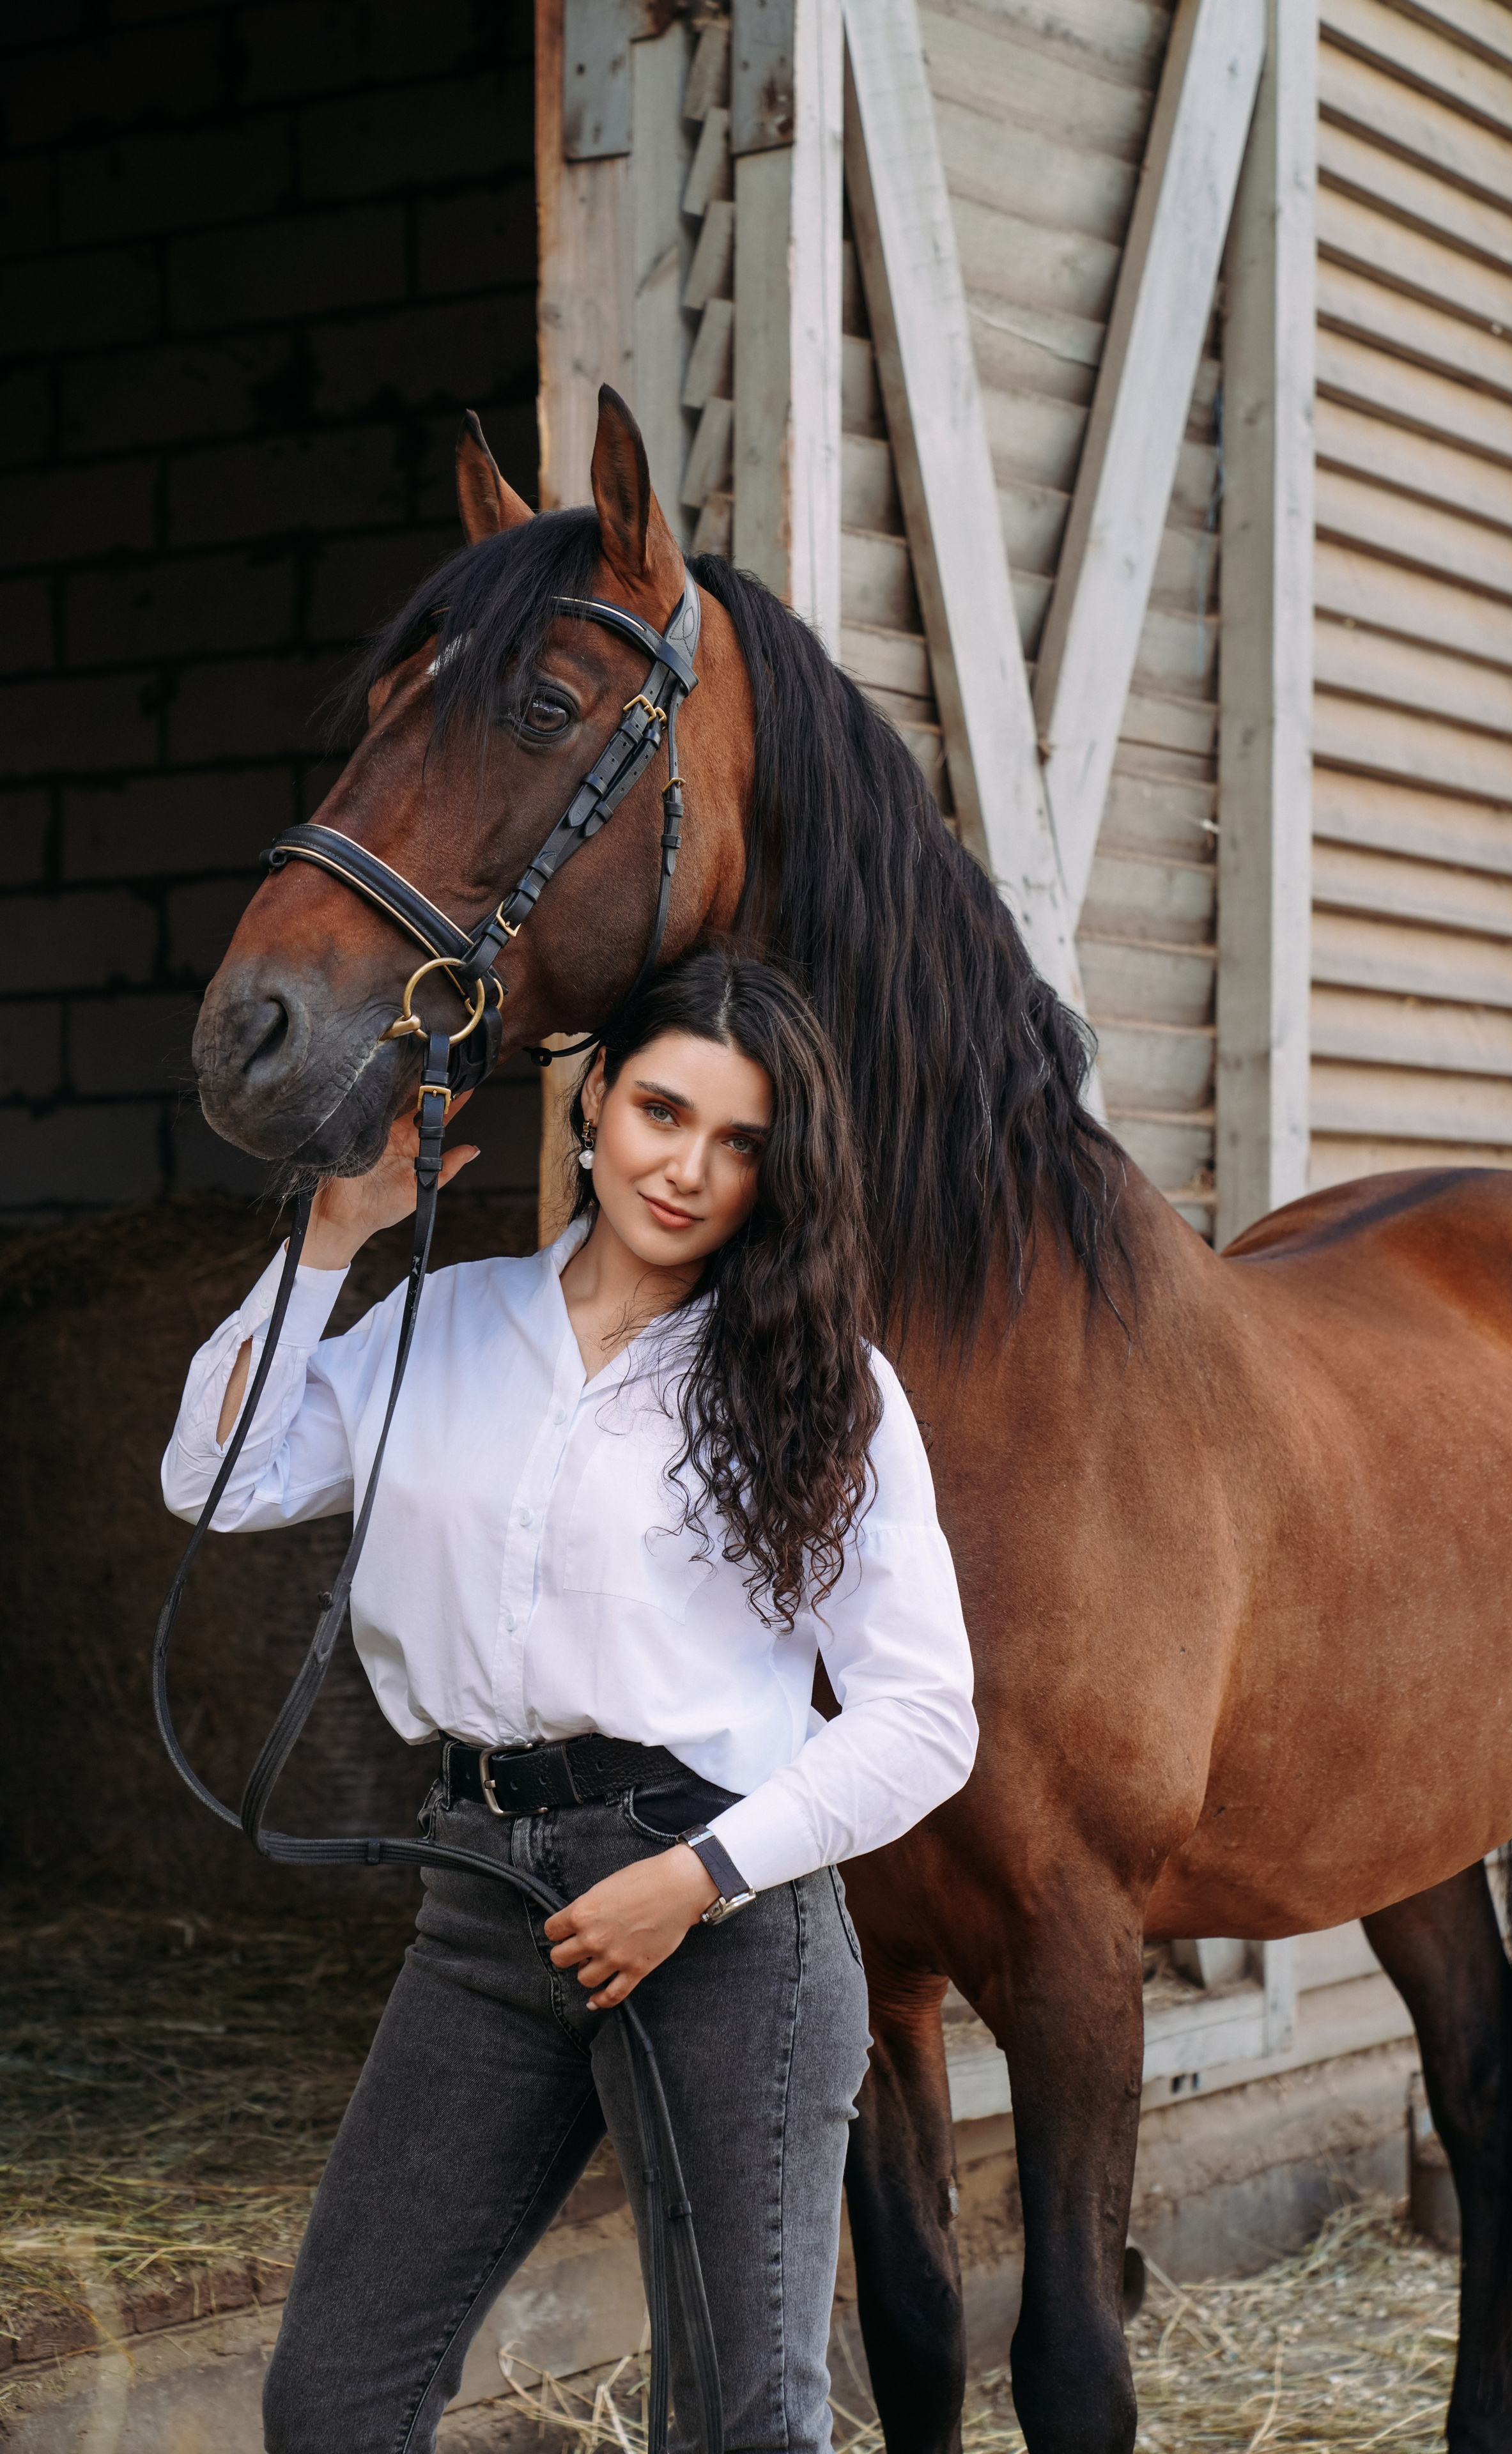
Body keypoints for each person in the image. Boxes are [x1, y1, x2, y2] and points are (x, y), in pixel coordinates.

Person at [161, 946, 976, 2454]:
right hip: (479, 1903)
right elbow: (215, 1479)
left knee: (740, 2425)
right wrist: (334, 1238)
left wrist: (696, 1879)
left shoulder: (818, 1382)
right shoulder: (443, 1325)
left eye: (741, 1144)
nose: (688, 1170)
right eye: (663, 1111)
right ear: (593, 1102)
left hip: (720, 1916)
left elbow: (924, 1715)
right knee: (332, 2398)